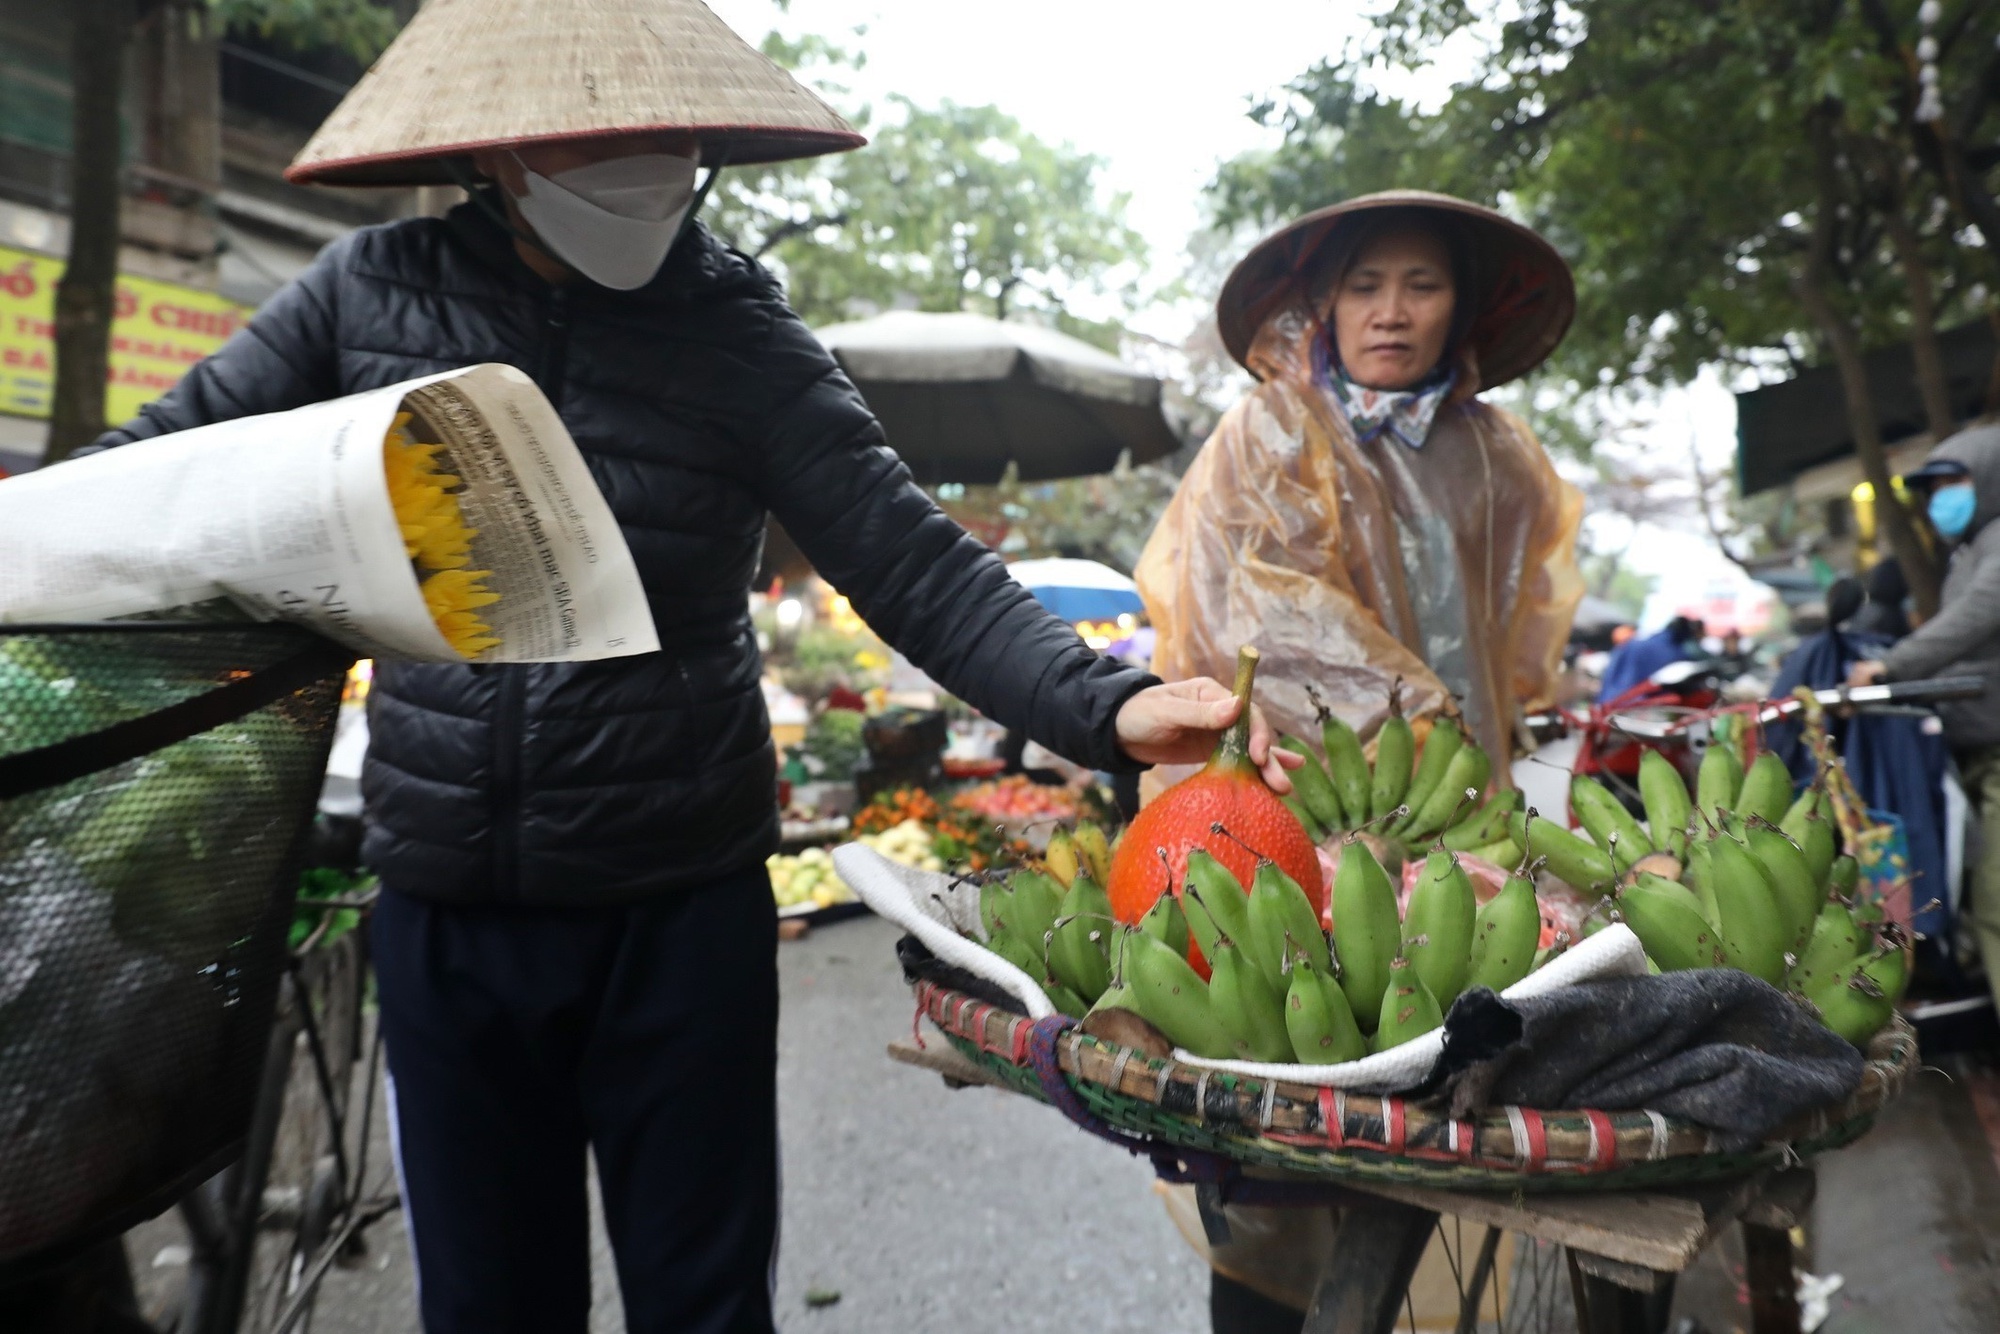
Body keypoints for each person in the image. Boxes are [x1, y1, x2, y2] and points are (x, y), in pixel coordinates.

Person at [80, 4, 1298, 1332]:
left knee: (702, 1301)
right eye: (604, 135)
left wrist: (1106, 700)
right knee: (487, 1302)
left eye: (672, 131)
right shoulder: (369, 290)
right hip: (444, 906)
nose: (648, 159)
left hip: (675, 909)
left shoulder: (738, 334)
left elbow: (910, 557)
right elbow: (163, 473)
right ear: (499, 152)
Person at [1133, 190, 1584, 1326]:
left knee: (1445, 1109)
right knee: (1286, 1106)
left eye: (1420, 284)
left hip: (1462, 803)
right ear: (1321, 303)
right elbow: (1255, 625)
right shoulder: (1269, 432)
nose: (1391, 310)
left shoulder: (1500, 456)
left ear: (1459, 307)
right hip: (1296, 796)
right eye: (1365, 283)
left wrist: (1477, 749)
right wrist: (1404, 711)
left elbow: (1523, 637)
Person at [1850, 434, 2000, 1012]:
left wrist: (1890, 665)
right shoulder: (1967, 553)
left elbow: (1971, 622)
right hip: (1978, 745)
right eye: (1934, 489)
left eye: (1952, 483)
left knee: (1992, 897)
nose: (1942, 499)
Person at [1597, 614, 1705, 702]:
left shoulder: (1633, 643)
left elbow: (1609, 672)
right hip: (1635, 711)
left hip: (1607, 703)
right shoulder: (1678, 656)